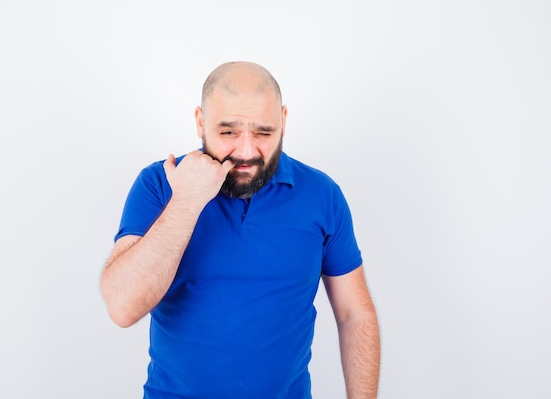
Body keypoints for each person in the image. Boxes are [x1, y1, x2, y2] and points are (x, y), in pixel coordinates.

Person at [101, 61, 380, 399]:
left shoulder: (322, 195)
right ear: (201, 122)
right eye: (228, 132)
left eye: (263, 132)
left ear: (284, 121)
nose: (246, 152)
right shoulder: (159, 185)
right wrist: (187, 201)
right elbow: (122, 307)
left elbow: (354, 314)